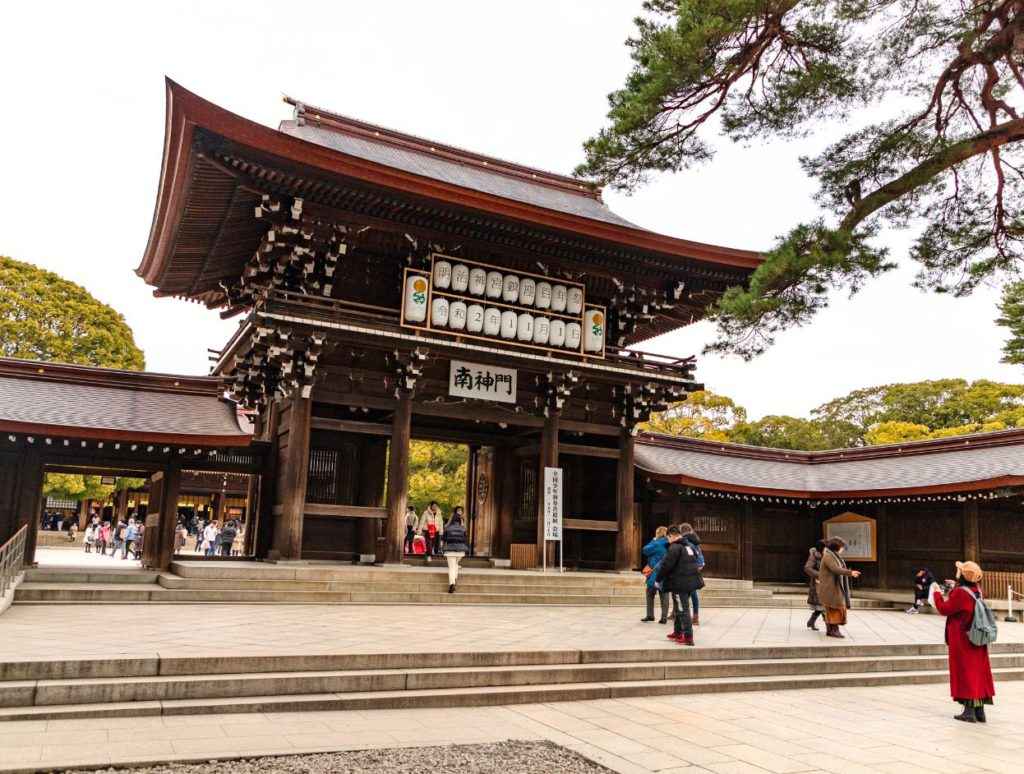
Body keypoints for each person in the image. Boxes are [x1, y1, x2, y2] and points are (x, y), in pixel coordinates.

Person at [931, 561, 995, 723]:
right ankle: (980, 711)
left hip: (962, 637)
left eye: (959, 570)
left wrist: (937, 594)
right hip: (977, 635)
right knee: (978, 671)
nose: (957, 572)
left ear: (963, 574)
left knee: (965, 671)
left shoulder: (960, 593)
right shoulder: (977, 590)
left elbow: (944, 609)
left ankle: (969, 712)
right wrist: (955, 588)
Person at [656, 525, 704, 646]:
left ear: (672, 536)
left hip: (680, 583)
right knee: (679, 607)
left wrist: (658, 579)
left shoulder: (674, 548)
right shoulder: (689, 546)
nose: (668, 540)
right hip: (691, 582)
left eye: (668, 538)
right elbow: (696, 559)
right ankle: (678, 632)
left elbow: (666, 565)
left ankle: (688, 637)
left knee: (683, 609)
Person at [818, 537, 862, 638]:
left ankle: (831, 630)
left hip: (835, 587)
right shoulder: (828, 556)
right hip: (830, 588)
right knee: (834, 608)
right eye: (842, 547)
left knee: (836, 607)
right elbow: (835, 569)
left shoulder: (835, 556)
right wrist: (850, 572)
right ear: (836, 547)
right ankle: (833, 630)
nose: (842, 549)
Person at [641, 526, 670, 623]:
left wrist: (653, 540)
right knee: (664, 595)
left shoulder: (657, 543)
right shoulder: (670, 543)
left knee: (650, 593)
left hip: (655, 573)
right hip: (666, 572)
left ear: (658, 533)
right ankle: (664, 617)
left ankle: (650, 615)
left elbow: (645, 550)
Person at [679, 523, 704, 626]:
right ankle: (695, 615)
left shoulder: (686, 540)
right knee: (692, 592)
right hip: (697, 566)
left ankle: (680, 614)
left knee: (685, 592)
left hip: (689, 567)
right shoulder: (695, 539)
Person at [442, 512, 468, 593]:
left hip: (450, 550)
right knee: (456, 564)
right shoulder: (463, 528)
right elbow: (465, 539)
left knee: (452, 567)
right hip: (460, 551)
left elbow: (443, 538)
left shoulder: (448, 528)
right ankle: (455, 579)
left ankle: (452, 584)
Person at [805, 539, 825, 630]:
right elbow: (807, 568)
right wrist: (819, 575)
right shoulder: (814, 556)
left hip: (826, 585)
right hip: (818, 584)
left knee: (822, 607)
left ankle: (811, 622)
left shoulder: (826, 556)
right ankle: (830, 627)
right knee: (822, 607)